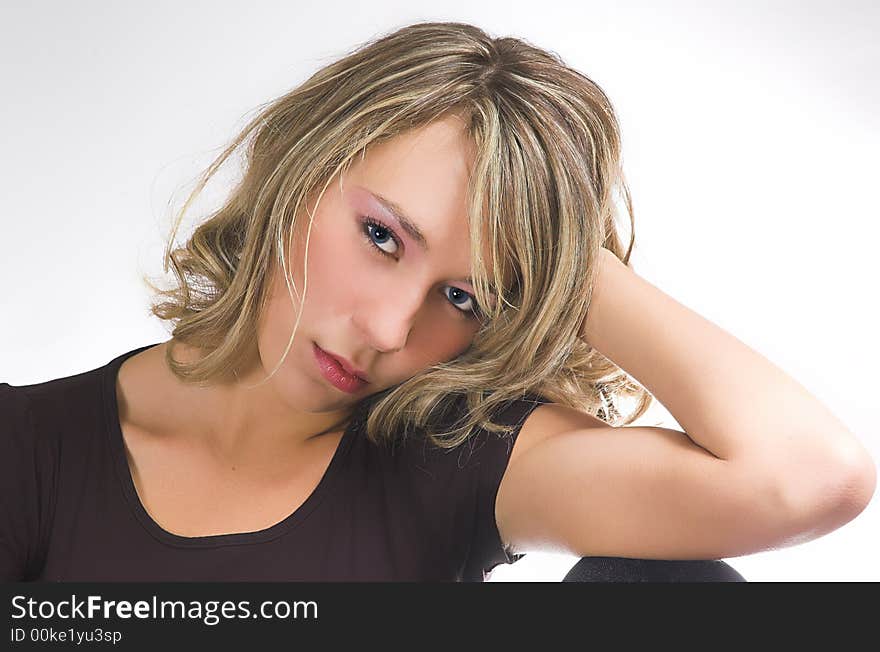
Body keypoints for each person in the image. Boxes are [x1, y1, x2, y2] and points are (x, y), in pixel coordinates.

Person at [1, 21, 874, 582]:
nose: (388, 331)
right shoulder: (28, 451)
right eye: (382, 237)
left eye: (464, 295)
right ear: (297, 172)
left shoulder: (456, 464)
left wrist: (559, 240)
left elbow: (812, 478)